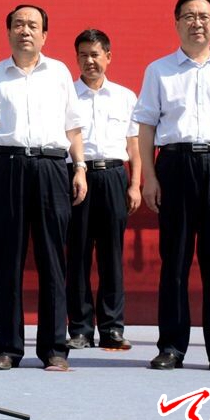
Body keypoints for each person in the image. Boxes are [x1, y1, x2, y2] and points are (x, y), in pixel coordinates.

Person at [133, 0, 210, 374]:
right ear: (177, 23)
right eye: (189, 16)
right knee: (175, 260)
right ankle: (172, 346)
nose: (197, 22)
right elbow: (146, 126)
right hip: (175, 164)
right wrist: (150, 177)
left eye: (204, 16)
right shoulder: (159, 70)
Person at [0, 4, 87, 372]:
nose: (25, 31)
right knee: (7, 260)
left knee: (53, 259)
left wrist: (80, 167)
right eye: (19, 24)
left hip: (52, 167)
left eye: (33, 25)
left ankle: (54, 348)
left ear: (44, 34)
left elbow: (73, 127)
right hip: (7, 167)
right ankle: (7, 347)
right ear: (8, 32)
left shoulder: (59, 73)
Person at [66, 29, 141, 351]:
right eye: (83, 55)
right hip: (76, 177)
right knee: (78, 255)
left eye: (95, 54)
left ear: (108, 57)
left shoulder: (125, 97)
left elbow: (134, 144)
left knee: (112, 255)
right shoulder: (67, 95)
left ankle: (112, 327)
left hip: (113, 176)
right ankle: (80, 328)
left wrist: (135, 184)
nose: (90, 61)